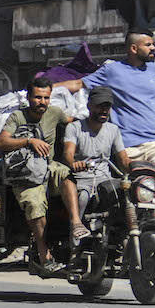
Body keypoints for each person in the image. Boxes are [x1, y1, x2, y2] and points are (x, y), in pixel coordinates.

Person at [0, 77, 83, 276]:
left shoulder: (55, 113)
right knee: (35, 206)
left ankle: (76, 223)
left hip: (49, 167)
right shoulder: (17, 117)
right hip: (26, 172)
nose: (42, 102)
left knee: (67, 175)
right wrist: (28, 141)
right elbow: (0, 143)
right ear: (28, 97)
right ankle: (44, 256)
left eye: (45, 98)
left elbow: (73, 123)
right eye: (37, 98)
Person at [57, 27, 155, 197]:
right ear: (134, 48)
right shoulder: (113, 71)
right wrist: (44, 90)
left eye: (152, 44)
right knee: (134, 189)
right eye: (148, 44)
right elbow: (78, 84)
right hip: (128, 145)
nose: (153, 48)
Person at [62, 86, 130, 217]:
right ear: (89, 106)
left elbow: (123, 159)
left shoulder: (113, 129)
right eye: (99, 106)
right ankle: (76, 232)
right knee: (82, 198)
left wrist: (134, 166)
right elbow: (68, 154)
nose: (104, 110)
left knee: (126, 196)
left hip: (105, 179)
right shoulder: (75, 127)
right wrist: (74, 164)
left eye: (107, 106)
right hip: (82, 179)